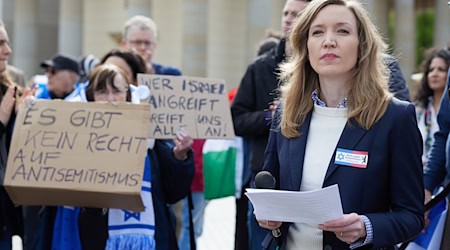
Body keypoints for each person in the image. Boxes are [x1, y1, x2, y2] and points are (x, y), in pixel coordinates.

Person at [256, 0, 424, 249]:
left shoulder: (395, 117)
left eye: (343, 31)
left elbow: (411, 216)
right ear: (306, 46)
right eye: (317, 32)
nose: (329, 41)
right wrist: (267, 215)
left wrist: (365, 227)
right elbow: (270, 187)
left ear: (362, 46)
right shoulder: (287, 111)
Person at [52, 64, 193, 250]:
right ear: (91, 96)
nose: (111, 99)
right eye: (102, 91)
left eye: (117, 91)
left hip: (151, 237)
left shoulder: (149, 138)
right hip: (95, 236)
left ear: (127, 95)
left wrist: (179, 157)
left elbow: (174, 193)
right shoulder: (75, 139)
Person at [0, 20, 34, 250]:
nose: (8, 50)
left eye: (8, 43)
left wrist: (23, 119)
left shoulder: (9, 90)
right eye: (0, 43)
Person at [414, 49, 450, 165]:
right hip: (419, 174)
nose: (434, 74)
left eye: (441, 69)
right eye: (431, 70)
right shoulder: (416, 109)